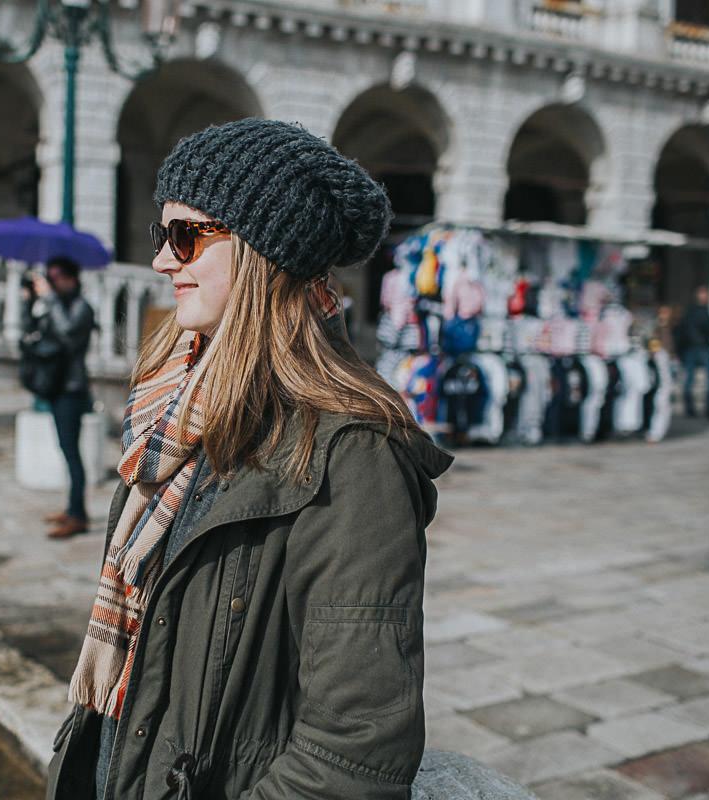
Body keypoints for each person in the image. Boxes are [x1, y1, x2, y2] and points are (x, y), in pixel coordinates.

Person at [47, 119, 453, 800]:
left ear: (263, 253)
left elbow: (356, 749)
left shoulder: (352, 457)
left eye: (187, 235)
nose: (162, 261)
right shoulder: (172, 407)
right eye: (161, 234)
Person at [29, 256, 96, 539]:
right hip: (58, 387)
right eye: (49, 276)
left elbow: (68, 333)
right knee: (65, 449)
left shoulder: (82, 307)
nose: (52, 281)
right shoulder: (60, 304)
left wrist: (51, 301)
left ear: (71, 277)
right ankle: (71, 509)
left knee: (72, 452)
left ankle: (79, 516)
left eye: (56, 276)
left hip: (72, 389)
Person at [677, 285, 709, 419]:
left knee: (698, 379)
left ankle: (701, 408)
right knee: (696, 379)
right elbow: (689, 330)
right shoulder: (696, 311)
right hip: (697, 348)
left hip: (698, 347)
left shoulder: (703, 310)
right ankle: (697, 408)